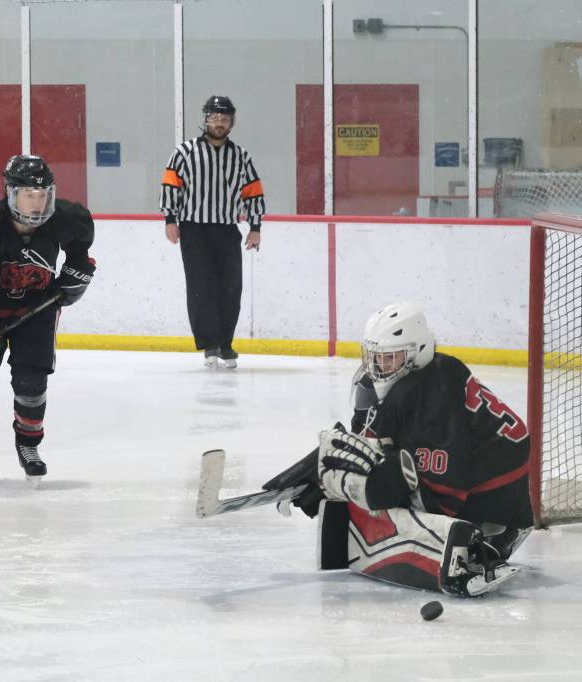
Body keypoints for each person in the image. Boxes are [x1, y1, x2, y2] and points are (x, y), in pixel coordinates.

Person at [266, 302, 532, 597]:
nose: (380, 368)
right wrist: (321, 469)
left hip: (496, 498)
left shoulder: (434, 390)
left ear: (417, 353)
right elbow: (367, 443)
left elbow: (442, 499)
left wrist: (353, 488)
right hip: (470, 470)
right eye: (376, 358)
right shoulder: (395, 384)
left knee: (388, 491)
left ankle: (492, 535)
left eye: (390, 358)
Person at [0, 154, 95, 486]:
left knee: (31, 385)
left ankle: (28, 446)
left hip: (35, 313)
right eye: (29, 194)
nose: (37, 203)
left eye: (42, 195)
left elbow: (80, 252)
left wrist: (76, 273)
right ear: (11, 193)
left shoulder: (66, 218)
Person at [160, 95, 264, 369]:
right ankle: (210, 345)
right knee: (201, 288)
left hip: (228, 230)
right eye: (215, 118)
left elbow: (252, 191)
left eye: (225, 119)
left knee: (231, 288)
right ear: (205, 119)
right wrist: (170, 219)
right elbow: (171, 185)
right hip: (194, 230)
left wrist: (255, 227)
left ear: (231, 123)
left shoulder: (241, 156)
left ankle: (226, 343)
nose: (219, 123)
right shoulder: (184, 152)